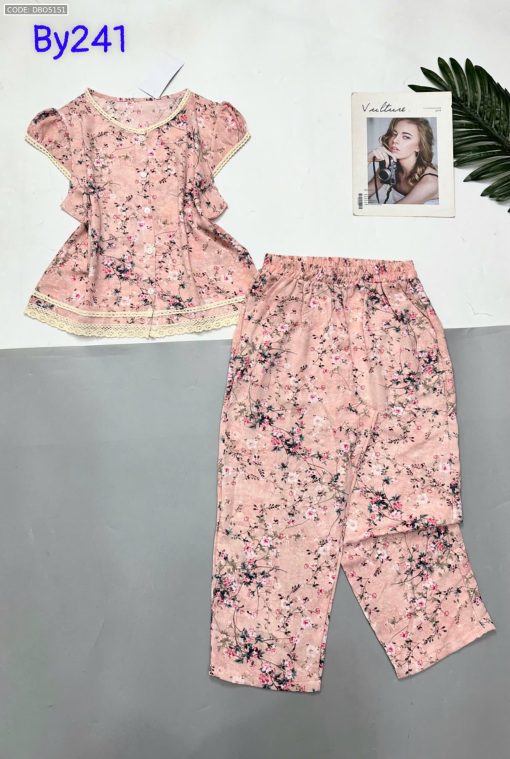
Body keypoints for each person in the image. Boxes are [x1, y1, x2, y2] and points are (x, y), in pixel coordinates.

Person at [367, 118, 439, 204]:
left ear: (419, 146)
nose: (395, 140)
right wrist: (367, 159)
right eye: (394, 134)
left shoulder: (430, 181)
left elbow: (396, 210)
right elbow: (364, 195)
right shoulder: (391, 167)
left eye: (406, 137)